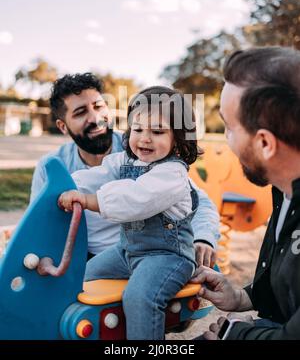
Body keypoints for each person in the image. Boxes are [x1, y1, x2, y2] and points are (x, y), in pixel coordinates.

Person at [58, 86, 212, 340]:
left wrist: (87, 201)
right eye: (138, 129)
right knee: (82, 276)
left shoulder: (172, 174)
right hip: (126, 251)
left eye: (158, 131)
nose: (144, 138)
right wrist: (67, 187)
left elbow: (135, 199)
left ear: (179, 138)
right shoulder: (126, 161)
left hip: (167, 258)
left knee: (140, 297)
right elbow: (98, 174)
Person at [30, 73, 220, 263]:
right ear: (63, 126)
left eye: (98, 106)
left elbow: (198, 202)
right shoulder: (52, 166)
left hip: (150, 254)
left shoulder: (145, 149)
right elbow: (40, 219)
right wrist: (45, 255)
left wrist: (203, 238)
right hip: (87, 259)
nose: (96, 118)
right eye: (80, 112)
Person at [192, 46, 300, 340]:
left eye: (229, 128)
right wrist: (243, 297)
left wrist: (234, 336)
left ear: (265, 143)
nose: (227, 142)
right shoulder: (282, 189)